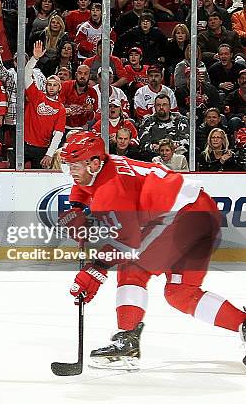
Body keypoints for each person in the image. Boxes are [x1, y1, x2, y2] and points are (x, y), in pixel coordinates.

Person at [58, 131, 246, 370]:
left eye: (76, 166)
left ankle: (127, 341)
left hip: (182, 216)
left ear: (94, 163)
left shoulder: (111, 189)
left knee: (132, 268)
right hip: (201, 210)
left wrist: (96, 270)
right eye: (69, 165)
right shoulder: (104, 166)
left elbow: (127, 242)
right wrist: (76, 208)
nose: (71, 172)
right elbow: (84, 187)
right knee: (181, 293)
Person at [22, 41, 66, 169]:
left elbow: (58, 134)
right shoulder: (37, 95)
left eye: (55, 85)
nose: (51, 87)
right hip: (24, 145)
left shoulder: (60, 109)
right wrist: (34, 58)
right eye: (49, 84)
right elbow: (26, 75)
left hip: (42, 149)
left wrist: (49, 154)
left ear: (59, 88)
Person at [138, 94, 189, 161]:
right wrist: (162, 149)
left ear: (170, 106)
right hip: (153, 157)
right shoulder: (147, 121)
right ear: (154, 107)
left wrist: (163, 148)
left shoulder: (181, 120)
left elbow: (186, 141)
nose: (161, 107)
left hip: (177, 156)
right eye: (158, 105)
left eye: (164, 105)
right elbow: (143, 144)